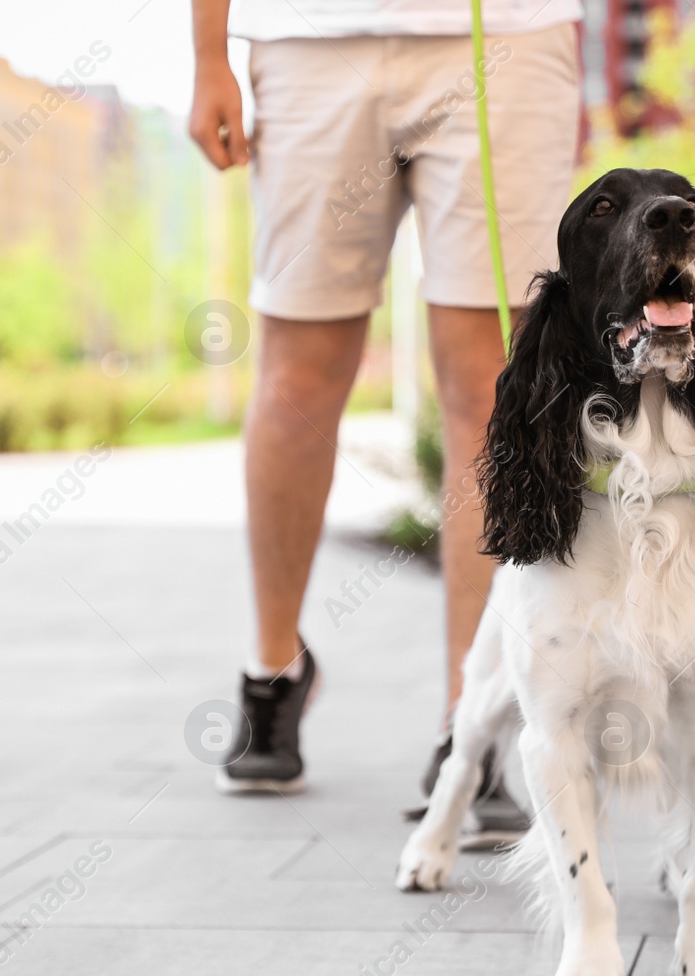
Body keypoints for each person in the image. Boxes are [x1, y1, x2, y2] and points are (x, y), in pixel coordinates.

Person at [187, 0, 583, 835]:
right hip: (310, 39)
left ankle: (468, 731)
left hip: (503, 35)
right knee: (298, 378)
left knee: (488, 389)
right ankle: (273, 668)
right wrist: (207, 53)